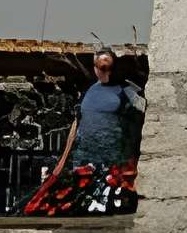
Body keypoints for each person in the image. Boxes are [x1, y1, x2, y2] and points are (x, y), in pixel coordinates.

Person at [29, 52, 144, 216]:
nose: (105, 71)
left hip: (113, 159)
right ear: (96, 69)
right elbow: (77, 123)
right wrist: (62, 161)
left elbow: (141, 115)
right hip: (86, 158)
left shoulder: (127, 91)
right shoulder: (88, 92)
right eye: (101, 67)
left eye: (108, 67)